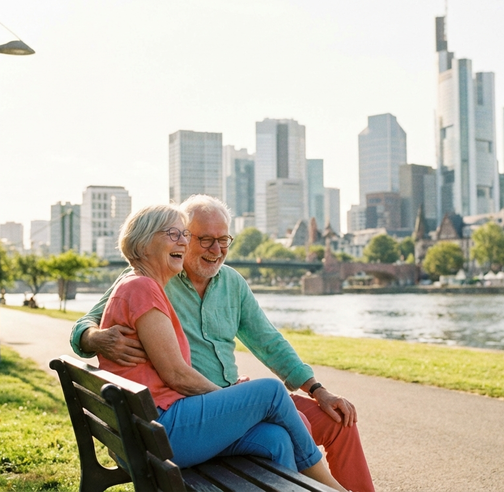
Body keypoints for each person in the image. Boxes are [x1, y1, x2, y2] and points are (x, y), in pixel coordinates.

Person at [71, 195, 374, 492]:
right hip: (189, 411)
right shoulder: (148, 281)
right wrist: (95, 337)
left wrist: (316, 390)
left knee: (337, 421)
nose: (216, 250)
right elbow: (86, 326)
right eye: (203, 239)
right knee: (274, 404)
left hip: (223, 402)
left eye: (224, 240)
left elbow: (269, 342)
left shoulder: (231, 283)